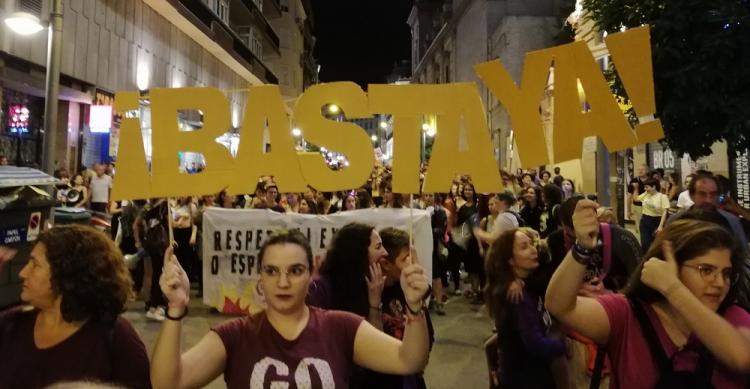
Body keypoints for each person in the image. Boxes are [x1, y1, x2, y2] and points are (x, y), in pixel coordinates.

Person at [150, 230, 431, 389]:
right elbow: (168, 384)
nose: (283, 282)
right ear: (260, 278)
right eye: (272, 271)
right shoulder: (235, 336)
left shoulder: (341, 327)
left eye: (295, 271)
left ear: (311, 274)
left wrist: (415, 307)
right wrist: (175, 307)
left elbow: (409, 360)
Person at [545, 200, 750, 388]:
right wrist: (582, 247)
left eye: (726, 273)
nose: (720, 283)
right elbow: (560, 306)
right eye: (706, 270)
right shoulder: (628, 315)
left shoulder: (732, 318)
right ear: (671, 265)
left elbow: (742, 356)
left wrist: (672, 289)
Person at [0, 225, 150, 388]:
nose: (22, 273)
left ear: (66, 273)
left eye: (35, 265)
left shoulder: (115, 336)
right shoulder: (10, 324)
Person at [485, 228, 566, 388]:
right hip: (526, 380)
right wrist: (565, 344)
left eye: (531, 244)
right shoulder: (516, 297)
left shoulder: (527, 283)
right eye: (524, 247)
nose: (533, 249)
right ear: (510, 260)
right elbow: (535, 344)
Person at [366, 227, 435, 389]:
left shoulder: (408, 288)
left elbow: (429, 334)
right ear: (386, 264)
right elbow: (375, 350)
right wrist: (374, 305)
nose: (412, 263)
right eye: (406, 259)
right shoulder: (371, 292)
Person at [638, 178, 670, 252]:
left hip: (657, 221)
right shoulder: (645, 195)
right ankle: (645, 260)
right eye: (644, 187)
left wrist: (660, 226)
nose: (645, 188)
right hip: (645, 220)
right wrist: (646, 192)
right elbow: (636, 199)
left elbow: (664, 212)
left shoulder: (662, 197)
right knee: (645, 243)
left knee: (657, 245)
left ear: (654, 187)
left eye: (647, 187)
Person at [629, 164, 650, 233]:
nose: (640, 171)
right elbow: (629, 195)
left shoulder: (651, 181)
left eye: (642, 169)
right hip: (638, 206)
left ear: (647, 171)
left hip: (649, 206)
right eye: (639, 169)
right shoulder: (634, 180)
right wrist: (628, 210)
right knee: (639, 227)